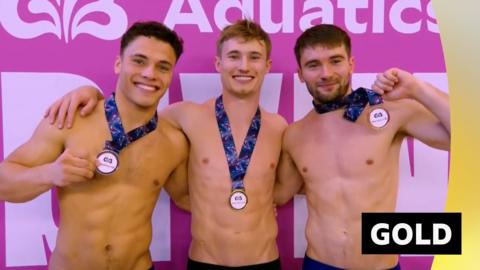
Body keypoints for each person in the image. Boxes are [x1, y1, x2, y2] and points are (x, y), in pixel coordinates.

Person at [43, 20, 287, 269]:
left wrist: (256, 205)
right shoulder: (184, 116)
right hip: (206, 261)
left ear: (267, 66)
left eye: (254, 57)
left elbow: (284, 190)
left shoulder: (279, 128)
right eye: (234, 56)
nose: (243, 66)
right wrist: (92, 94)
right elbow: (132, 117)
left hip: (264, 259)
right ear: (218, 63)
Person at [0, 21, 189, 270]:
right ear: (118, 64)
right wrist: (49, 173)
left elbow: (187, 198)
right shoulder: (71, 120)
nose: (150, 73)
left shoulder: (173, 143)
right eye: (139, 61)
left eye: (163, 67)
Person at [274, 24, 450, 269]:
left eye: (335, 60)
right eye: (313, 65)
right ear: (301, 73)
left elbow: (468, 137)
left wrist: (416, 88)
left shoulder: (392, 111)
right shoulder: (295, 134)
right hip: (319, 263)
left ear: (351, 64)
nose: (325, 73)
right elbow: (279, 194)